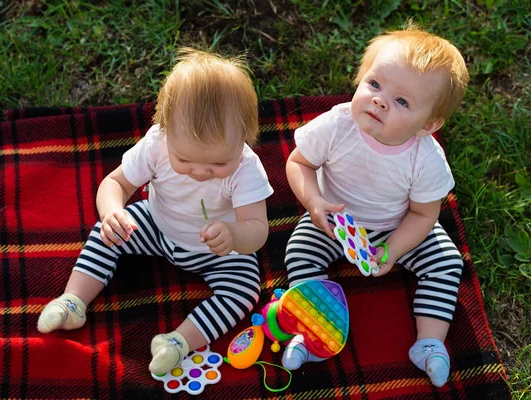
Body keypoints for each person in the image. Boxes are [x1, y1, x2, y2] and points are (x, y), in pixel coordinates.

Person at [36, 48, 274, 376]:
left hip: (218, 248)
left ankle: (179, 341)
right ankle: (73, 301)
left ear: (245, 139)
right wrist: (112, 213)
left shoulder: (246, 169)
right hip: (157, 224)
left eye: (219, 163)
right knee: (104, 234)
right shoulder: (156, 145)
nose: (201, 172)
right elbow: (114, 183)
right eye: (186, 160)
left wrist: (235, 234)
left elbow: (258, 228)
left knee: (245, 288)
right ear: (165, 130)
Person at [282, 24, 469, 387]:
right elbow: (299, 163)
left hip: (397, 225)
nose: (380, 100)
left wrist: (395, 248)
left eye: (402, 102)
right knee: (300, 251)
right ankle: (312, 329)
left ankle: (430, 341)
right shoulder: (337, 125)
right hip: (333, 218)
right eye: (375, 84)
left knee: (446, 261)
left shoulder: (426, 160)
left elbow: (424, 214)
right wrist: (313, 201)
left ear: (427, 125)